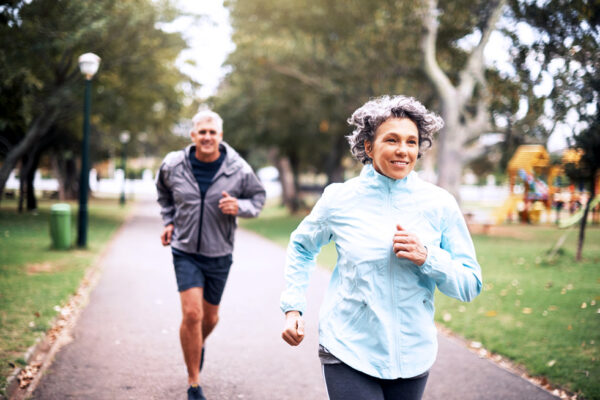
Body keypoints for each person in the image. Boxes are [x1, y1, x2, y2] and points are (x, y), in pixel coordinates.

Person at [280, 95, 482, 400]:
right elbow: (302, 246)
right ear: (368, 147)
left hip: (413, 354)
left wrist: (428, 257)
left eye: (411, 142)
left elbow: (470, 284)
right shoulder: (340, 199)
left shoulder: (440, 204)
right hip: (348, 347)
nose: (403, 150)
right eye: (392, 139)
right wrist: (293, 307)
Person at [156, 109, 266, 400]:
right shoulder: (173, 164)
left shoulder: (238, 168)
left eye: (212, 132)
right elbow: (164, 193)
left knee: (210, 318)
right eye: (201, 132)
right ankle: (194, 382)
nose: (207, 137)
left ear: (220, 136)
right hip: (185, 249)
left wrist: (239, 207)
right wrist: (168, 221)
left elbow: (258, 198)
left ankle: (195, 345)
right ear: (193, 135)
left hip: (220, 252)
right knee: (192, 314)